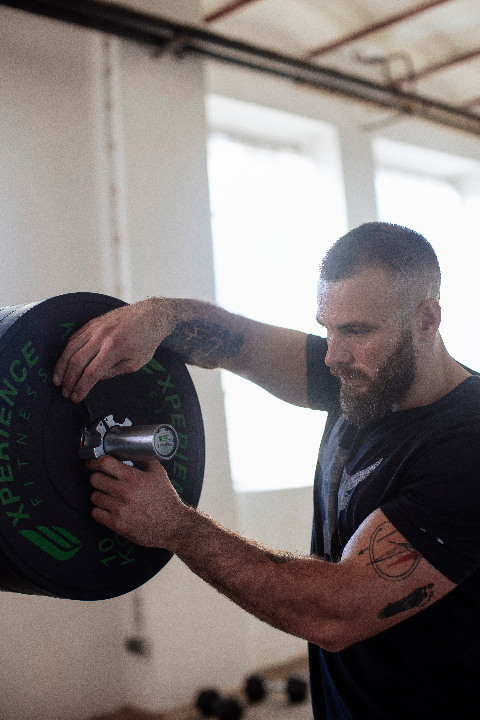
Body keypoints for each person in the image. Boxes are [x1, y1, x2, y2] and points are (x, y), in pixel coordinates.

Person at [53, 222, 480, 719]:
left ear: (427, 319)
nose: (333, 355)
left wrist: (175, 526)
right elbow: (239, 343)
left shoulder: (466, 446)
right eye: (327, 328)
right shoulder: (363, 379)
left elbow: (335, 612)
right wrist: (158, 318)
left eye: (356, 331)